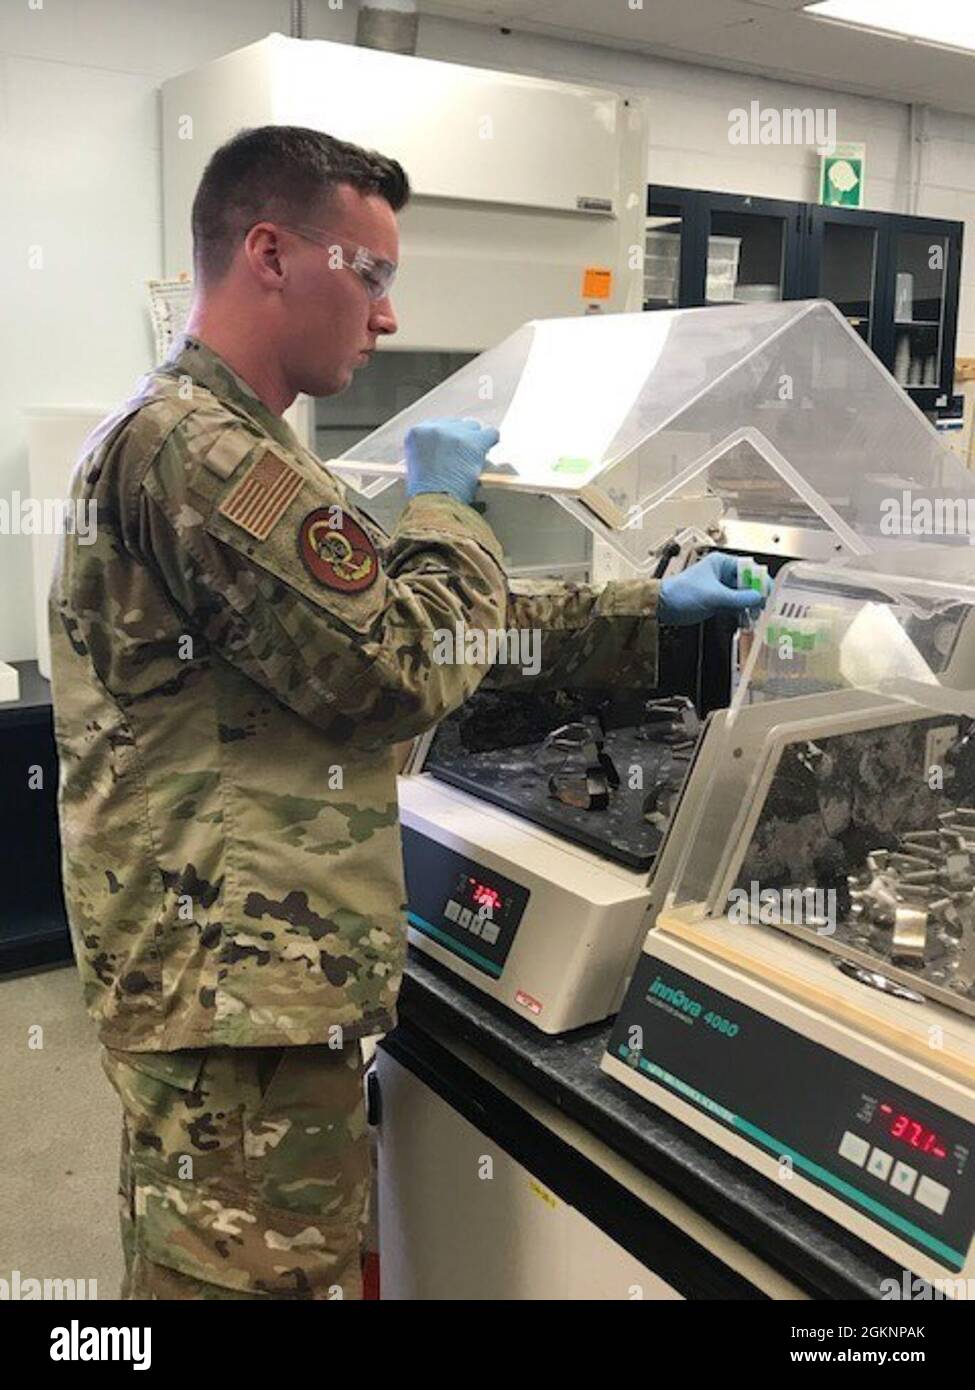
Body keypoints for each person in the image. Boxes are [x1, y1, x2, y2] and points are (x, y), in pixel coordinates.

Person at [49, 125, 762, 1301]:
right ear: (270, 253)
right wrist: (445, 503)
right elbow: (402, 661)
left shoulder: (224, 444)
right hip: (241, 1001)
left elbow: (411, 615)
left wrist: (651, 609)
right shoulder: (205, 454)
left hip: (234, 987)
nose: (384, 315)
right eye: (369, 273)